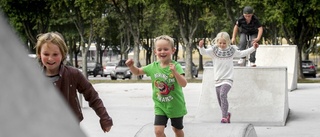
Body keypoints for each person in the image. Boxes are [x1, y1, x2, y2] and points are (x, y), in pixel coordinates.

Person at [35, 32, 113, 133]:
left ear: (62, 54)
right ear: (39, 54)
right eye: (46, 54)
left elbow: (92, 96)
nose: (50, 58)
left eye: (55, 54)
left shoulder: (73, 74)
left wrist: (104, 118)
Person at [125, 35, 187, 137]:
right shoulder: (153, 67)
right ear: (155, 52)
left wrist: (175, 72)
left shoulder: (176, 66)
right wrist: (131, 66)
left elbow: (183, 84)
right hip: (160, 106)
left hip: (176, 106)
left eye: (166, 49)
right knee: (158, 131)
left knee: (177, 130)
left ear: (173, 50)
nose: (162, 52)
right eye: (159, 49)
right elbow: (137, 72)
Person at [198, 32, 259, 123]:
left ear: (228, 42)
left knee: (223, 94)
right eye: (220, 43)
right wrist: (201, 47)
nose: (222, 45)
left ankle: (224, 117)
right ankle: (227, 113)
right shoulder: (214, 51)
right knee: (220, 101)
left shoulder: (231, 50)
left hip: (228, 79)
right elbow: (204, 52)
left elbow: (242, 53)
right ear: (217, 42)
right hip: (218, 79)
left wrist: (253, 48)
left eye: (224, 43)